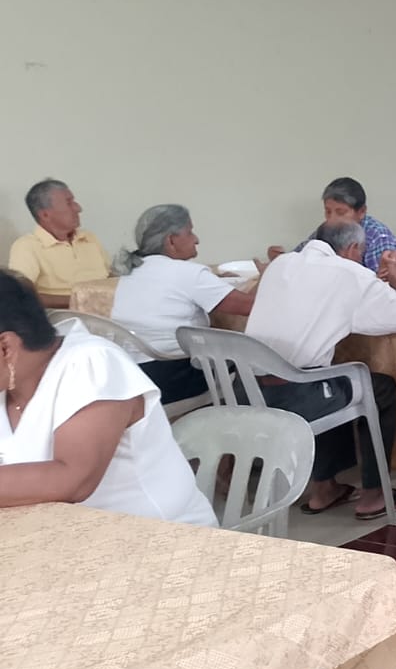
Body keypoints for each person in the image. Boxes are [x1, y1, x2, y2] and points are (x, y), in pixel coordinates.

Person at [0, 271, 216, 525]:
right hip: (66, 528)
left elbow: (72, 479)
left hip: (159, 532)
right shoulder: (10, 383)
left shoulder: (92, 364)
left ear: (6, 347)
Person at [246, 220, 396, 519]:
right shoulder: (349, 272)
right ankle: (374, 494)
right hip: (296, 396)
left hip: (247, 390)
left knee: (332, 375)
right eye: (360, 251)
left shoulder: (280, 264)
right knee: (379, 389)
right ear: (352, 248)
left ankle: (325, 487)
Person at [109, 204, 254, 404]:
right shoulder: (188, 273)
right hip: (170, 377)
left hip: (130, 373)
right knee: (251, 358)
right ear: (171, 240)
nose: (196, 239)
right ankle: (248, 415)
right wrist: (269, 274)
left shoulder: (132, 271)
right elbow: (250, 307)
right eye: (190, 232)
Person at [7, 179, 110, 309]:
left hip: (108, 310)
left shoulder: (89, 238)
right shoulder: (27, 246)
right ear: (45, 215)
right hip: (67, 316)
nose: (78, 208)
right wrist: (81, 300)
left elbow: (110, 276)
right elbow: (19, 294)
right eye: (69, 203)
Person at [269, 177, 396, 275]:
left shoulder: (377, 236)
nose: (332, 218)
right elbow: (302, 259)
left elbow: (381, 283)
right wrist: (282, 259)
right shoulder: (327, 230)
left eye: (340, 212)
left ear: (361, 212)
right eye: (328, 211)